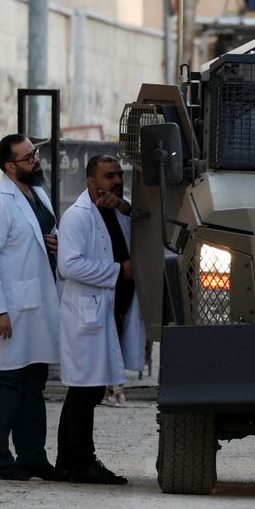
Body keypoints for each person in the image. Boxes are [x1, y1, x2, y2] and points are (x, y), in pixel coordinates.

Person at [0, 134, 62, 482]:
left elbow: (37, 239)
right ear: (10, 166)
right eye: (28, 157)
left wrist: (52, 242)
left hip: (37, 305)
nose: (35, 160)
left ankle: (32, 456)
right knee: (4, 382)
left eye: (35, 154)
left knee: (32, 382)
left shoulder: (36, 194)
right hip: (11, 309)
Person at [54, 155, 144, 485]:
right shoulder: (78, 217)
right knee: (84, 390)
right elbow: (70, 266)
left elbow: (144, 221)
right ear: (91, 180)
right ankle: (78, 462)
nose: (116, 180)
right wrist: (119, 271)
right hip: (87, 312)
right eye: (108, 176)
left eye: (119, 175)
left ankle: (70, 462)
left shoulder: (117, 210)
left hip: (110, 310)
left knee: (90, 390)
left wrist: (122, 206)